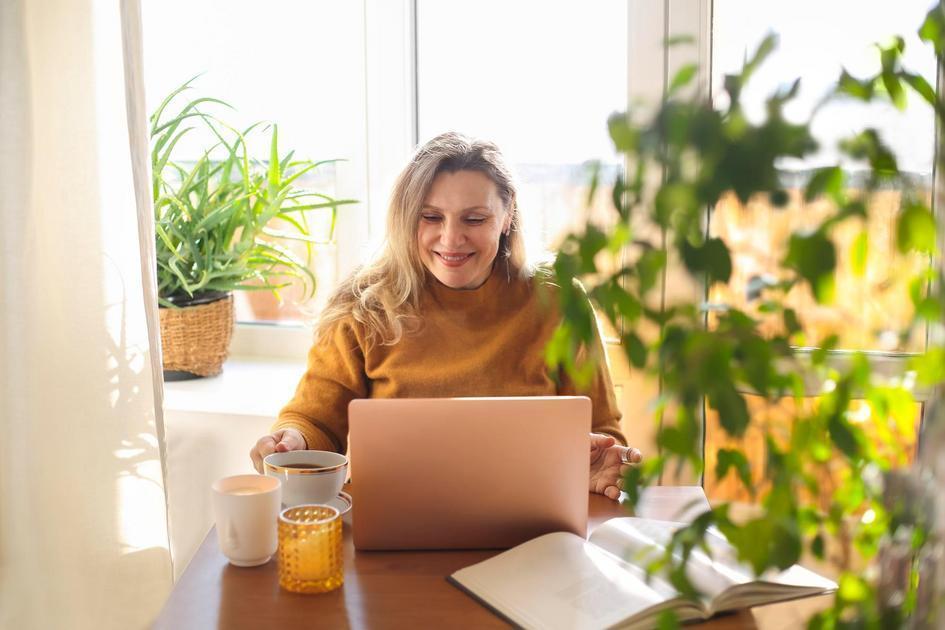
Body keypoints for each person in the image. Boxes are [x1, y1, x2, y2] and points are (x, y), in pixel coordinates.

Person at [250, 131, 642, 500]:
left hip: (533, 521)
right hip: (396, 518)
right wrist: (292, 441)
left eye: (475, 219)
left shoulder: (557, 300)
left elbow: (602, 430)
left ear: (507, 218)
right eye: (431, 217)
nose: (451, 239)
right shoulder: (363, 306)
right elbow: (315, 423)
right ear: (407, 218)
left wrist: (597, 464)